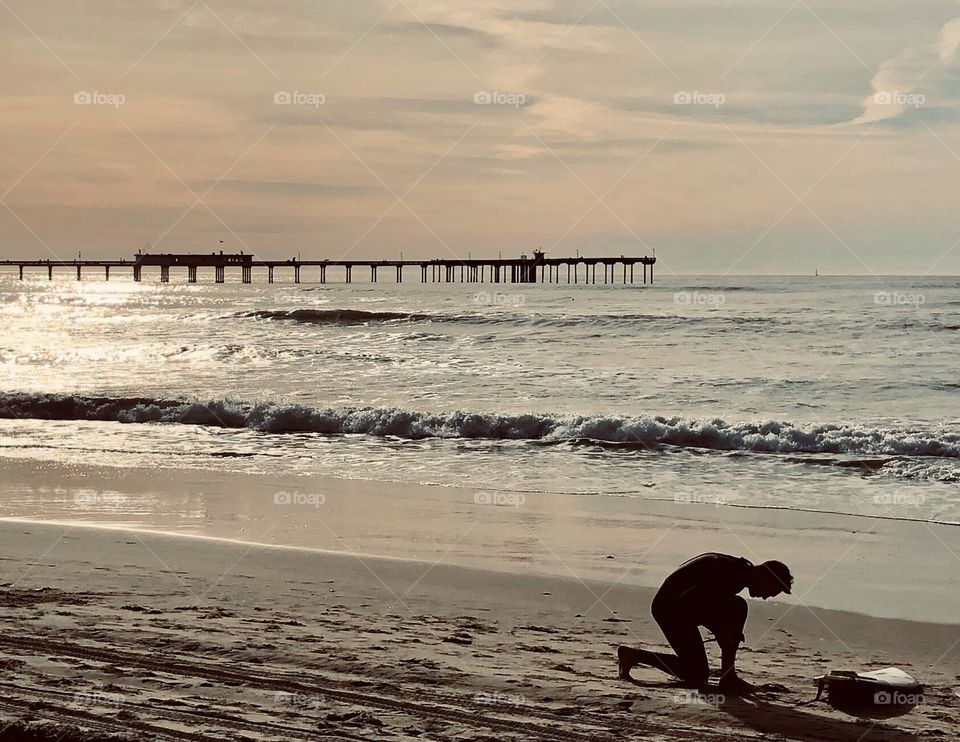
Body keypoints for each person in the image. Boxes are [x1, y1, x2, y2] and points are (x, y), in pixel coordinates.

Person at [617, 553, 792, 691]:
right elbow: (691, 599)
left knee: (738, 607)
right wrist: (721, 629)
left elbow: (706, 601)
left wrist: (722, 628)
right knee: (697, 675)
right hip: (669, 609)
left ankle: (727, 676)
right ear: (767, 577)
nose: (767, 597)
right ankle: (634, 655)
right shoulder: (732, 574)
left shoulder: (739, 571)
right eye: (772, 590)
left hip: (684, 606)